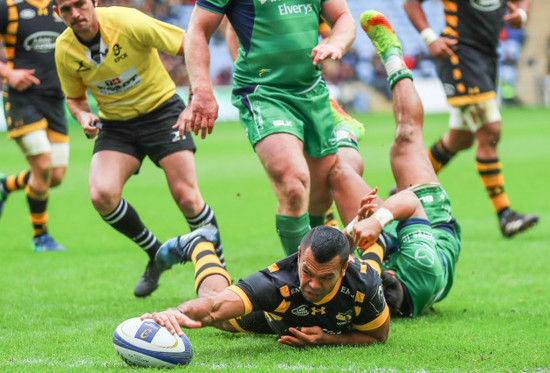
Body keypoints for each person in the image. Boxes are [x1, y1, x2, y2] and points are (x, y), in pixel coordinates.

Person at [53, 0, 223, 297]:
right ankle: (157, 253)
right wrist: (82, 115)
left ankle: (219, 276)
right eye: (66, 9)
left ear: (93, 2)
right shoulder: (64, 48)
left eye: (80, 4)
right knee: (101, 194)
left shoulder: (127, 21)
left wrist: (197, 95)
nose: (75, 14)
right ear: (57, 13)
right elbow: (74, 97)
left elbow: (189, 44)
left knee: (187, 197)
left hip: (162, 113)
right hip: (116, 124)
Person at [178, 0, 369, 256]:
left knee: (320, 197)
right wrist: (202, 91)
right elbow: (198, 29)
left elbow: (343, 17)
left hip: (312, 92)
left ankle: (320, 274)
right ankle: (300, 281)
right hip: (264, 93)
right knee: (292, 183)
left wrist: (337, 42)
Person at [346, 11, 461, 317]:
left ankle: (344, 132)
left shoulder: (367, 293)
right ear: (390, 271)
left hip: (399, 260)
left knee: (339, 173)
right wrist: (378, 221)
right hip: (432, 225)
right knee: (406, 139)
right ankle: (393, 53)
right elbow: (408, 202)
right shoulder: (420, 267)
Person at [403, 0, 538, 238]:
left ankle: (405, 187)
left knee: (460, 139)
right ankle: (505, 214)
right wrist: (430, 38)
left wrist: (522, 13)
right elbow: (411, 3)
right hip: (460, 55)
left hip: (487, 56)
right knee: (489, 130)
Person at [217, 16, 367, 229]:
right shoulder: (241, 17)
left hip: (304, 87)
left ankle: (373, 247)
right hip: (268, 90)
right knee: (303, 178)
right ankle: (334, 243)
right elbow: (230, 29)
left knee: (335, 172)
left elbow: (333, 34)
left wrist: (329, 45)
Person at [141, 223, 389, 347]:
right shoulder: (277, 281)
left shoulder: (364, 283)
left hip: (348, 292)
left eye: (326, 277)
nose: (312, 284)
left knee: (375, 265)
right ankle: (200, 244)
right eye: (307, 272)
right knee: (220, 310)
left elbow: (378, 336)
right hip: (275, 318)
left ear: (343, 269)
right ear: (300, 255)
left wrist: (326, 338)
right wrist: (178, 312)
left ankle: (382, 241)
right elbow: (214, 307)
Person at [0, 0, 68, 251]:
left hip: (57, 99)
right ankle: (41, 236)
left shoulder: (64, 6)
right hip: (22, 99)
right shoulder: (8, 7)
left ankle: (5, 185)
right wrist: (9, 74)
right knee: (42, 165)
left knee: (55, 176)